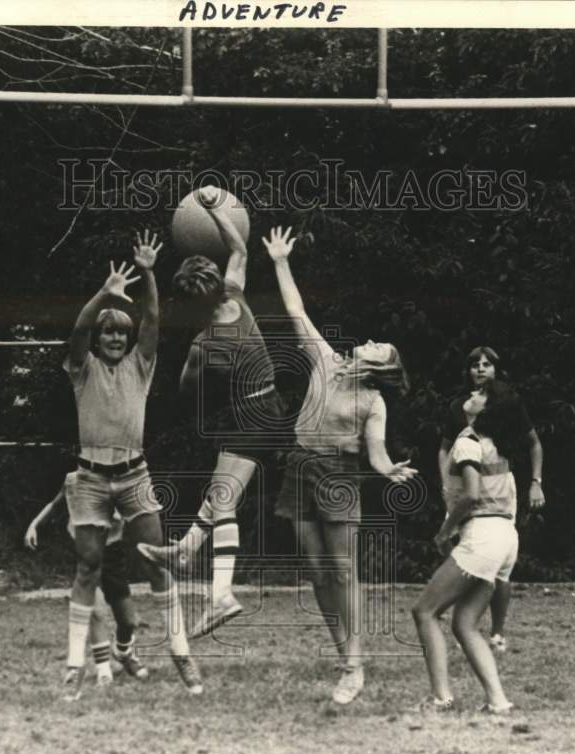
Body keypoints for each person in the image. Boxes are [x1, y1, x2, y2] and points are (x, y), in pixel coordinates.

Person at [264, 225, 416, 705]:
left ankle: (354, 665)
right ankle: (342, 653)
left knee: (342, 570)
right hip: (300, 465)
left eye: (379, 346)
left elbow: (375, 454)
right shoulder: (325, 361)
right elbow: (296, 311)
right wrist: (280, 260)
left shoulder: (373, 402)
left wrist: (389, 469)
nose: (369, 340)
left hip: (337, 477)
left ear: (381, 367)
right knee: (314, 569)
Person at [138, 186, 288, 639]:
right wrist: (214, 211)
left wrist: (194, 359)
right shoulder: (237, 298)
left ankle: (221, 594)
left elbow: (186, 390)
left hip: (250, 415)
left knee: (223, 501)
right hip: (271, 407)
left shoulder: (203, 345)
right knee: (221, 494)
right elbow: (240, 247)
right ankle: (183, 550)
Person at [63, 230, 201, 698]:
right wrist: (104, 293)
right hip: (90, 479)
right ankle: (73, 666)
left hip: (135, 475)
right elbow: (79, 328)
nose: (117, 337)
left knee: (158, 563)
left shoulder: (141, 365)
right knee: (87, 568)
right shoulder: (83, 368)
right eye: (110, 331)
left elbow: (154, 321)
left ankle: (182, 655)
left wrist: (147, 273)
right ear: (101, 339)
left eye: (122, 331)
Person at [413, 381, 521, 714]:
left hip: (483, 536)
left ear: (487, 409)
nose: (471, 395)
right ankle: (497, 700)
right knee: (464, 623)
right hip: (507, 536)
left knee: (424, 612)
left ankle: (440, 697)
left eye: (480, 395)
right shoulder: (498, 446)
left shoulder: (468, 441)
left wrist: (445, 531)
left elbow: (472, 495)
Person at [439, 346, 545, 653]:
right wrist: (446, 484)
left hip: (497, 492)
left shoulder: (508, 403)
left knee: (497, 562)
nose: (480, 369)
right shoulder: (460, 407)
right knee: (460, 556)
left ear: (497, 370)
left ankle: (496, 632)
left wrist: (536, 483)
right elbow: (445, 448)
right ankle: (465, 626)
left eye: (487, 364)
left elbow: (534, 444)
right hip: (465, 489)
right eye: (475, 365)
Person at [24, 481, 148, 686]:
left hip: (113, 555)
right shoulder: (74, 480)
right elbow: (54, 504)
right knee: (96, 611)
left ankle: (124, 652)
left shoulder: (121, 482)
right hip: (87, 554)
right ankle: (103, 670)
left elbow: (140, 515)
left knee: (129, 621)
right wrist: (33, 525)